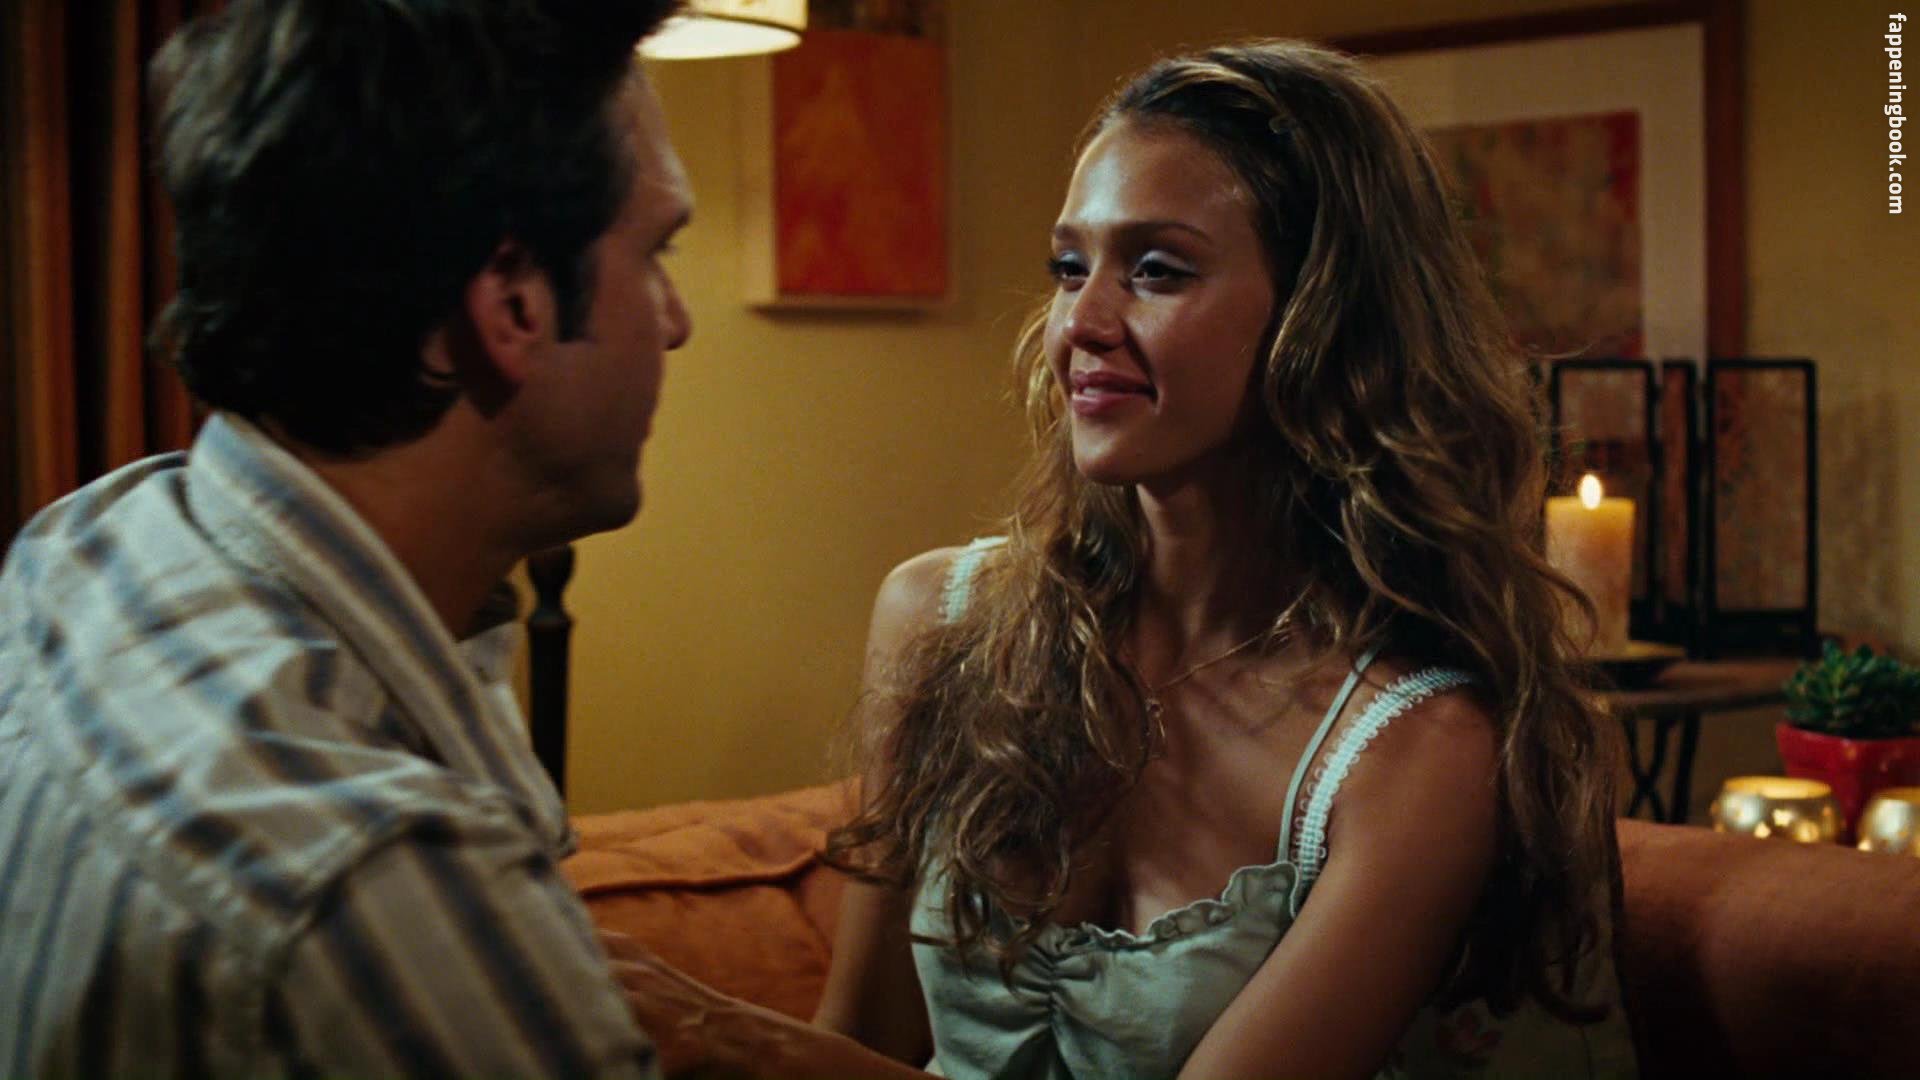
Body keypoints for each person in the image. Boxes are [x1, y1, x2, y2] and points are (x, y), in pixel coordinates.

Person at [610, 39, 1640, 1079]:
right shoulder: (938, 622)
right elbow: (867, 1040)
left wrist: (726, 1034)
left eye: (1156, 271)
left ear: (1324, 320)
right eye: (1070, 268)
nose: (1081, 323)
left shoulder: (1416, 752)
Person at [0, 0, 692, 1074]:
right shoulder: (381, 886)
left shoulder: (85, 548)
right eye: (655, 253)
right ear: (511, 303)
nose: (676, 320)